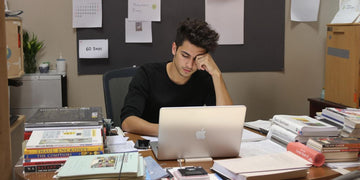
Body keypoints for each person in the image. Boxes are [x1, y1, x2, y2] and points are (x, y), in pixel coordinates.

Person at [120, 18, 233, 136]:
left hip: (189, 144)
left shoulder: (204, 78)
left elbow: (227, 123)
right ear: (174, 49)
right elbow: (128, 122)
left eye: (197, 59)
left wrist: (216, 74)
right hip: (150, 144)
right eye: (185, 56)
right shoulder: (147, 74)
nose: (189, 65)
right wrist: (171, 132)